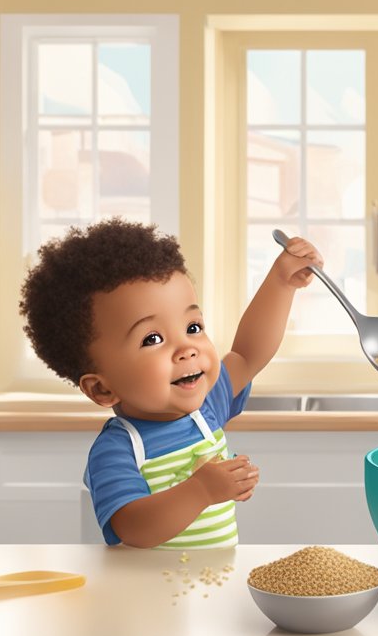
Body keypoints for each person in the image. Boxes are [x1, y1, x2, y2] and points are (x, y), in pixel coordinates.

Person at [19, 218, 321, 549]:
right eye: (152, 339)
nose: (187, 348)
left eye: (193, 327)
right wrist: (201, 491)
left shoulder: (205, 408)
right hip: (149, 595)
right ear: (102, 389)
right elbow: (132, 526)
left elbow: (247, 355)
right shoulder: (119, 450)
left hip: (212, 586)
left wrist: (282, 283)